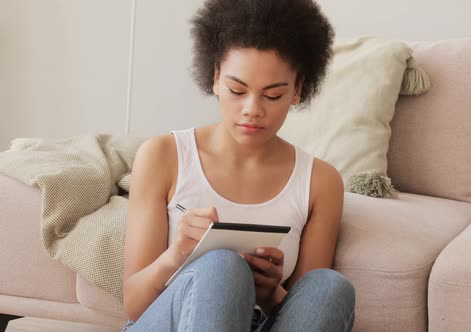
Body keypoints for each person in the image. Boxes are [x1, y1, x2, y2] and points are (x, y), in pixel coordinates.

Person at [122, 0, 355, 331]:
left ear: (297, 90)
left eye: (272, 95)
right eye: (237, 90)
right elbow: (134, 305)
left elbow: (301, 311)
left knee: (330, 287)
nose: (252, 109)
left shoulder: (320, 181)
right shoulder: (163, 155)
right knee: (222, 268)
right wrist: (177, 255)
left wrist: (271, 291)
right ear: (216, 79)